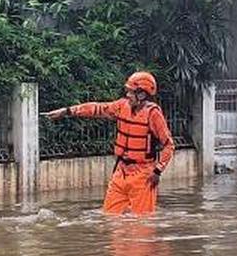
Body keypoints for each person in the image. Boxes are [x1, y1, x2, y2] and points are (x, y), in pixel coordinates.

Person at [44, 71, 174, 215]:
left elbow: (168, 145)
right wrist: (67, 111)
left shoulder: (153, 114)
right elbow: (96, 109)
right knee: (110, 218)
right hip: (121, 171)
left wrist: (157, 171)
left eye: (131, 92)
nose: (128, 95)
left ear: (142, 94)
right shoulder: (121, 106)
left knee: (141, 224)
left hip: (143, 174)